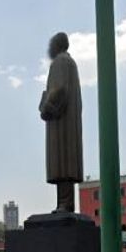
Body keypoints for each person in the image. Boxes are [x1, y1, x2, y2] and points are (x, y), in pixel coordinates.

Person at [38, 32, 84, 213]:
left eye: (51, 45)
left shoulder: (60, 62)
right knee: (66, 164)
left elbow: (58, 89)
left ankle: (65, 203)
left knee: (62, 163)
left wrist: (46, 106)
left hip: (61, 123)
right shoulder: (70, 63)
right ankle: (65, 203)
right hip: (68, 121)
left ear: (57, 45)